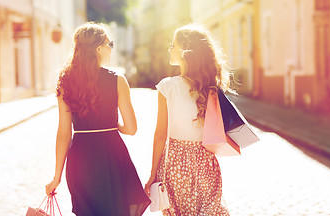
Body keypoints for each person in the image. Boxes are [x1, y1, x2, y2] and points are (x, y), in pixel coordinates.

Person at [45, 22, 150, 216]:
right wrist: (114, 125)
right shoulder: (117, 80)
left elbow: (63, 133)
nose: (111, 49)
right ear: (99, 48)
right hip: (111, 155)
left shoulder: (65, 81)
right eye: (110, 44)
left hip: (80, 159)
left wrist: (56, 177)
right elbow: (132, 128)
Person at [144, 24, 231, 216]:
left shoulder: (168, 87)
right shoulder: (212, 87)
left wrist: (152, 174)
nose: (170, 49)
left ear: (184, 50)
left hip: (176, 164)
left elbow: (160, 135)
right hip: (206, 161)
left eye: (173, 45)